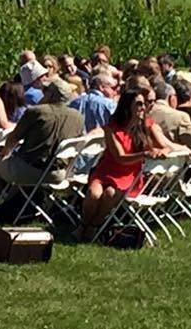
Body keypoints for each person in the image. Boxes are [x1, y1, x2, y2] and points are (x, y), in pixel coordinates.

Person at [76, 86, 183, 242]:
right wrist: (144, 154)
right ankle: (83, 225)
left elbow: (163, 144)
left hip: (130, 175)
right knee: (94, 194)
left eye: (143, 104)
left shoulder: (146, 125)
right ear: (127, 107)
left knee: (110, 194)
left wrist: (164, 151)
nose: (143, 108)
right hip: (107, 170)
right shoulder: (112, 129)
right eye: (138, 104)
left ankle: (94, 226)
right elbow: (120, 157)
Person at [0, 80, 84, 218]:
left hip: (32, 171)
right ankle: (13, 205)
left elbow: (14, 137)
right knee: (17, 164)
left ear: (51, 95)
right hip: (60, 174)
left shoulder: (37, 111)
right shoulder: (78, 116)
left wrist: (5, 154)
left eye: (46, 91)